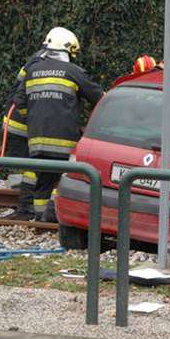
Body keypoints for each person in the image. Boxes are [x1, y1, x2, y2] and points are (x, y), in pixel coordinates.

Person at [13, 27, 104, 222]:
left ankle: (40, 217)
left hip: (36, 140)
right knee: (65, 179)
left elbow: (19, 101)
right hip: (65, 141)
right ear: (68, 50)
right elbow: (100, 98)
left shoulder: (32, 70)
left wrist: (33, 119)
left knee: (43, 180)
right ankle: (55, 217)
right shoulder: (74, 71)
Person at [0, 51, 44, 220]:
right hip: (24, 125)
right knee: (34, 167)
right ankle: (27, 208)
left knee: (32, 167)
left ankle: (28, 207)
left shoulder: (35, 59)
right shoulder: (41, 64)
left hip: (17, 122)